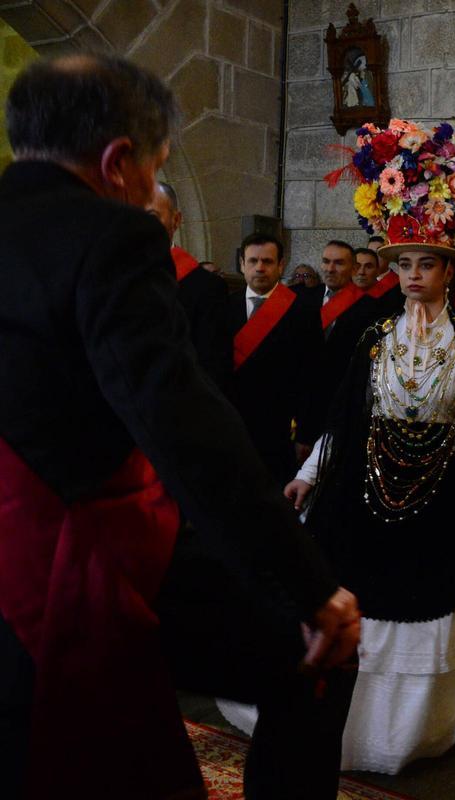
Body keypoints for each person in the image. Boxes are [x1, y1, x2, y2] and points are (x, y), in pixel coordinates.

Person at [0, 54, 360, 800]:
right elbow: (184, 426)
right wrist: (307, 584)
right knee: (321, 653)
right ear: (119, 161)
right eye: (158, 169)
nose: (153, 191)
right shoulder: (112, 237)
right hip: (71, 558)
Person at [222, 119, 455, 773]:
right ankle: (354, 727)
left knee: (428, 599)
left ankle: (418, 729)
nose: (412, 274)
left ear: (449, 268)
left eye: (426, 263)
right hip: (364, 490)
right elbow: (344, 419)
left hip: (444, 503)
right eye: (403, 262)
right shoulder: (372, 336)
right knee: (360, 596)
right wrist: (308, 471)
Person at [227, 232, 323, 487]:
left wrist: (305, 433)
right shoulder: (223, 307)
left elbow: (312, 376)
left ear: (281, 265)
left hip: (279, 429)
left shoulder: (303, 311)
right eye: (253, 261)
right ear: (241, 264)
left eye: (268, 261)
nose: (260, 268)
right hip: (231, 426)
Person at [295, 240, 379, 451]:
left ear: (353, 268)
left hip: (342, 408)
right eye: (326, 262)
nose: (330, 269)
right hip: (300, 405)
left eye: (338, 263)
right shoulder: (301, 299)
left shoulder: (370, 309)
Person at [147, 181, 231, 390]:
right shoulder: (113, 277)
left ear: (175, 220)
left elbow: (212, 368)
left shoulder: (206, 288)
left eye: (151, 217)